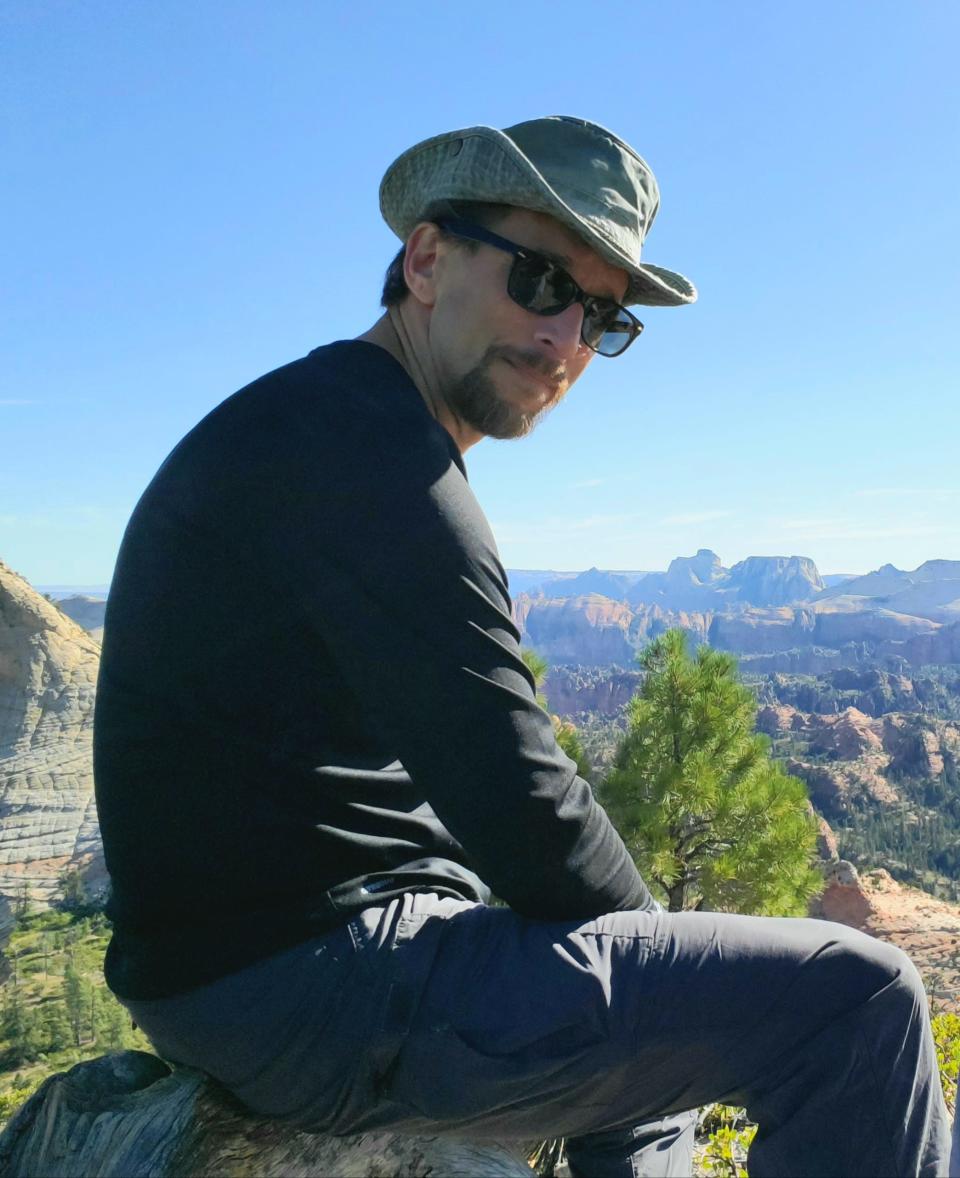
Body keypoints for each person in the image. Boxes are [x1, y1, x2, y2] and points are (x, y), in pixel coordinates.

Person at [93, 116, 950, 1177]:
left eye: (603, 318)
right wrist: (654, 957)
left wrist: (646, 986)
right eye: (542, 281)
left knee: (633, 1028)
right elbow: (528, 803)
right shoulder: (377, 467)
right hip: (307, 986)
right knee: (860, 997)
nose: (566, 342)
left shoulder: (328, 422)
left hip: (258, 970)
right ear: (425, 259)